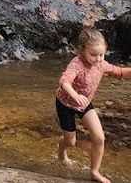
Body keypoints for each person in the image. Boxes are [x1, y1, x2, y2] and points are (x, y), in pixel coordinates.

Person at [56, 26, 131, 183]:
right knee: (70, 141)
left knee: (99, 138)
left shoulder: (101, 64)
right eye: (93, 55)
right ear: (82, 50)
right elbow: (64, 81)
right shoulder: (76, 64)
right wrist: (75, 95)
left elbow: (120, 72)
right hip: (65, 104)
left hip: (84, 104)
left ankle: (94, 172)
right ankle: (62, 151)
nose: (98, 59)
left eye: (101, 54)